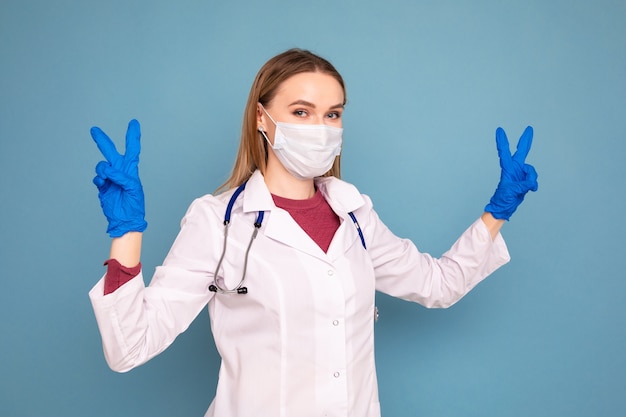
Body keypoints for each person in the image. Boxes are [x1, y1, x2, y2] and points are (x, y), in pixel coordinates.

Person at [88, 48, 538, 417]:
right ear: (262, 118)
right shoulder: (219, 222)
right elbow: (131, 347)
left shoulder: (356, 215)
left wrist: (498, 212)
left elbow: (439, 285)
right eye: (301, 112)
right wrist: (127, 233)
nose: (320, 129)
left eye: (332, 114)